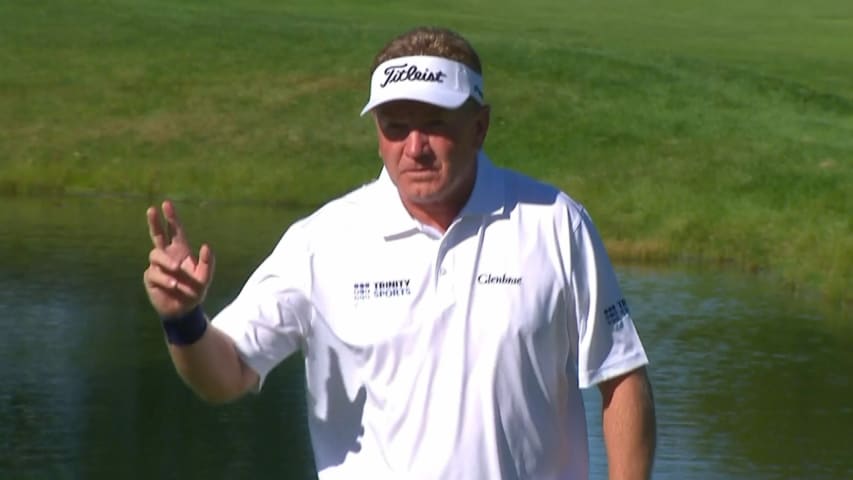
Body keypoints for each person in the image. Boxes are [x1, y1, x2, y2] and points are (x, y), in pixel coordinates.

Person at [143, 26, 656, 480]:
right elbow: (226, 372)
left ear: (480, 126)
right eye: (395, 125)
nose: (414, 146)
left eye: (434, 122)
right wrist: (184, 320)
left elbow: (621, 375)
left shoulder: (553, 222)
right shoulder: (323, 241)